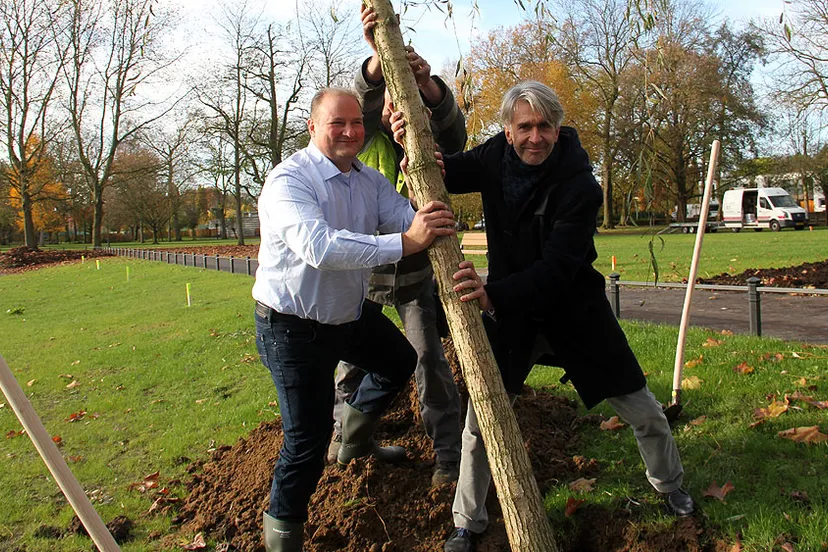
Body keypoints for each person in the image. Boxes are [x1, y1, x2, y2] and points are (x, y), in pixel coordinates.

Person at [392, 80, 695, 552]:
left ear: (558, 129)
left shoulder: (580, 187)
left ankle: (670, 485)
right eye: (525, 127)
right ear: (509, 132)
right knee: (481, 423)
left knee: (645, 411)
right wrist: (409, 141)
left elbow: (557, 270)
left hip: (574, 312)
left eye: (545, 127)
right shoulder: (495, 156)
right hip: (514, 320)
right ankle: (466, 523)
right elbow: (443, 172)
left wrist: (492, 295)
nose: (536, 137)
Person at [252, 86, 455, 552]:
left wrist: (422, 188)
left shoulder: (368, 180)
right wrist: (406, 243)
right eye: (337, 123)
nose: (349, 131)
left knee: (400, 361)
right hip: (291, 326)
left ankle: (358, 442)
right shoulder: (290, 181)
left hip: (345, 316)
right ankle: (283, 537)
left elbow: (404, 215)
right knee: (306, 442)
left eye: (356, 124)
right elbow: (320, 247)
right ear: (312, 127)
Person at [327, 4, 466, 487]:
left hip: (411, 272)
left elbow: (456, 132)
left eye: (399, 104)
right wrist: (376, 58)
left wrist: (425, 84)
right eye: (385, 105)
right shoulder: (357, 140)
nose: (390, 113)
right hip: (361, 271)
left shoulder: (423, 140)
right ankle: (346, 439)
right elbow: (359, 99)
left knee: (427, 356)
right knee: (349, 360)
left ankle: (448, 453)